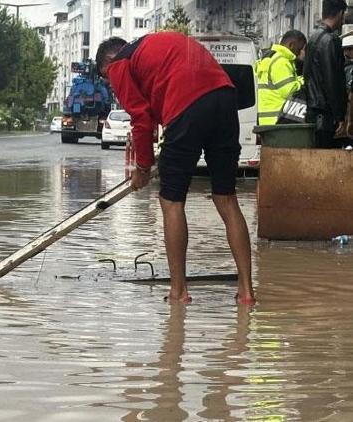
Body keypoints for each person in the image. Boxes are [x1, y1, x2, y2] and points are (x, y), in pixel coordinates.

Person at [95, 32, 256, 305]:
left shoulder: (120, 64)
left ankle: (179, 292)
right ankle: (247, 292)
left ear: (109, 63)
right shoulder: (154, 45)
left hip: (188, 105)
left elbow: (141, 118)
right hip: (226, 99)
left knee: (171, 200)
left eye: (107, 79)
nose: (113, 85)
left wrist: (143, 167)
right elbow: (153, 109)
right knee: (226, 198)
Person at [304, 0, 348, 148]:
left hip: (312, 110)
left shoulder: (313, 37)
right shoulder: (330, 40)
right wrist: (339, 116)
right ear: (340, 13)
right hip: (326, 114)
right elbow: (333, 81)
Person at [256, 30, 306, 125]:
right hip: (279, 121)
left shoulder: (271, 58)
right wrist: (304, 80)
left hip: (269, 121)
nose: (299, 53)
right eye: (299, 49)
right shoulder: (281, 62)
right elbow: (290, 91)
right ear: (291, 45)